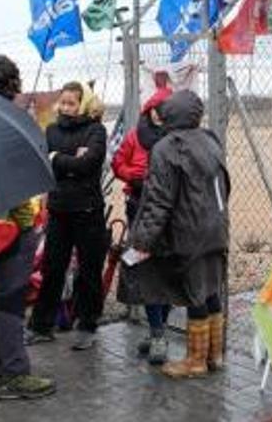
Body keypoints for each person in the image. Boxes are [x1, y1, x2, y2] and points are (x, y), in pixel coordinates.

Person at [0, 55, 56, 400]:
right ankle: (15, 374)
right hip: (10, 227)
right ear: (11, 86)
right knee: (8, 300)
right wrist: (27, 226)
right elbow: (23, 180)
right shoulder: (12, 121)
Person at [130, 90, 230, 378]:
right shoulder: (210, 140)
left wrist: (141, 242)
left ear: (169, 115)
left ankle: (195, 361)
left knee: (194, 291)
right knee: (211, 288)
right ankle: (216, 355)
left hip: (189, 231)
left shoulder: (166, 147)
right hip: (217, 226)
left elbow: (159, 201)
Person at [26, 82, 108, 351]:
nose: (65, 107)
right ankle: (41, 325)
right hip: (59, 210)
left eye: (71, 103)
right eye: (62, 102)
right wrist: (70, 160)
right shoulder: (51, 130)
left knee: (89, 270)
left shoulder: (96, 130)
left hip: (88, 211)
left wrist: (57, 158)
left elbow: (88, 164)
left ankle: (87, 325)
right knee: (52, 269)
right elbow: (44, 165)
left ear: (83, 104)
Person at [111, 83, 172, 365]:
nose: (162, 114)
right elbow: (117, 162)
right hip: (138, 206)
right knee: (145, 269)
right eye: (159, 110)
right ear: (150, 111)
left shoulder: (175, 138)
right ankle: (157, 331)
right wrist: (131, 177)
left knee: (167, 271)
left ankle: (158, 329)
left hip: (168, 210)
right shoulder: (136, 136)